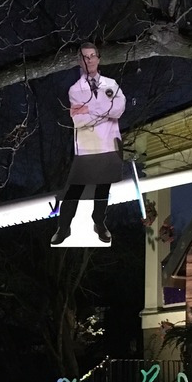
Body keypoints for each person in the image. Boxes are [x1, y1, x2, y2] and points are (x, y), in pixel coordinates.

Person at [51, 41, 126, 245]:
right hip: (86, 146)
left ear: (98, 58)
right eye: (85, 56)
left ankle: (99, 223)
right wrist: (103, 110)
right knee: (74, 188)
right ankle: (64, 227)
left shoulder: (111, 84)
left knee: (103, 189)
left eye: (93, 55)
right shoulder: (75, 90)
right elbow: (79, 118)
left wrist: (91, 109)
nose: (89, 59)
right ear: (80, 61)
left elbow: (118, 109)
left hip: (109, 145)